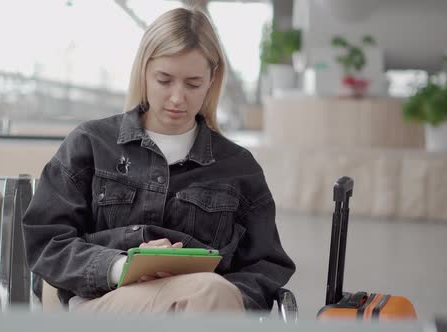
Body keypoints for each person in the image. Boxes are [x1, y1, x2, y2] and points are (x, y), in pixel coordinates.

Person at [22, 6, 294, 314]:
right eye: (164, 80)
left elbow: (266, 266)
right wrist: (121, 267)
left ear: (212, 79)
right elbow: (47, 241)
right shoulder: (90, 143)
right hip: (103, 306)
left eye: (193, 83)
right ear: (144, 72)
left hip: (204, 307)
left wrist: (217, 294)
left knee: (210, 293)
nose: (178, 97)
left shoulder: (238, 167)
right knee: (210, 293)